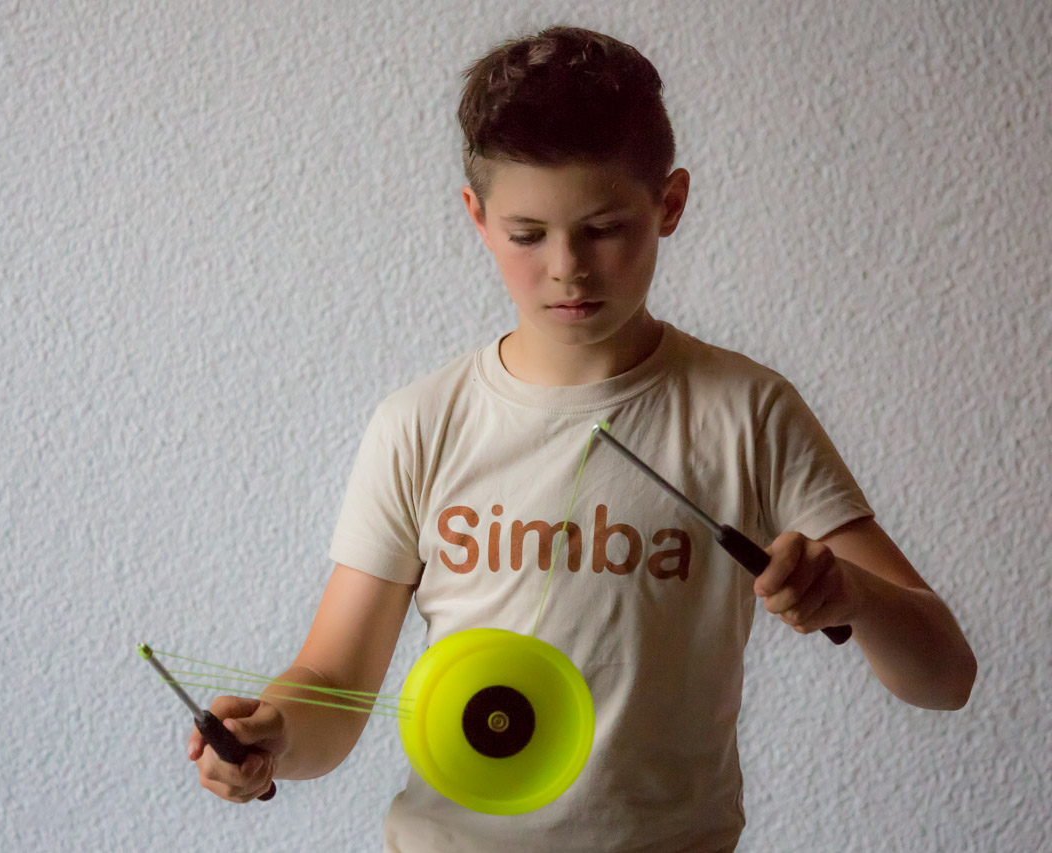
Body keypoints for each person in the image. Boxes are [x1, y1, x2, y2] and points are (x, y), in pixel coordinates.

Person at [185, 25, 977, 852]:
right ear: (477, 218)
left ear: (669, 205)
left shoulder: (748, 412)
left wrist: (853, 595)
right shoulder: (420, 423)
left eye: (604, 228)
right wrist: (274, 735)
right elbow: (335, 684)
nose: (567, 266)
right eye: (528, 234)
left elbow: (946, 676)